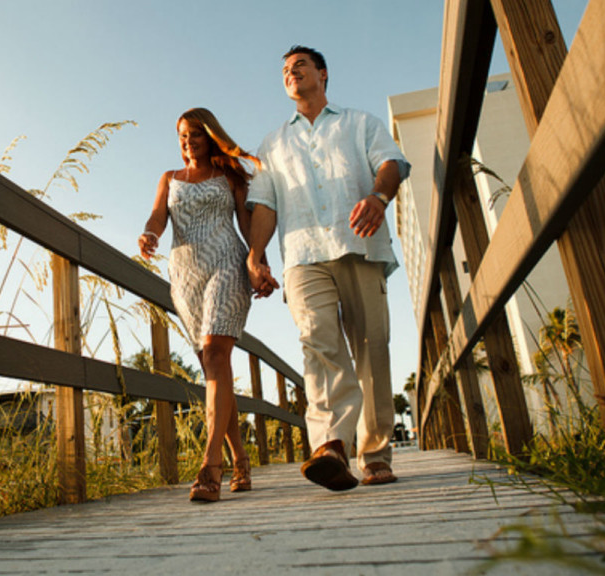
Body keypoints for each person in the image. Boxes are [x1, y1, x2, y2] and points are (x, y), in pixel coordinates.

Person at [246, 46, 411, 491]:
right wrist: (256, 255)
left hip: (359, 245)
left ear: (322, 73)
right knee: (317, 342)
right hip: (302, 255)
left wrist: (378, 197)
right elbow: (263, 202)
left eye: (299, 66)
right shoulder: (273, 143)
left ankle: (374, 454)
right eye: (284, 70)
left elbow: (391, 165)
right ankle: (332, 446)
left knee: (371, 348)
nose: (291, 73)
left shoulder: (359, 123)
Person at [139, 108, 263, 503]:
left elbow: (247, 227)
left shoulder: (229, 176)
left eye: (194, 134)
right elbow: (159, 216)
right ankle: (240, 459)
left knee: (214, 353)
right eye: (181, 135)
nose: (187, 141)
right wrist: (148, 234)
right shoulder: (169, 178)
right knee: (213, 367)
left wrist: (257, 263)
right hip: (185, 276)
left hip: (226, 262)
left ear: (210, 136)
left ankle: (211, 466)